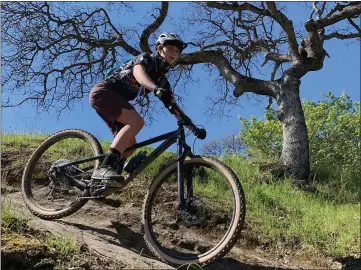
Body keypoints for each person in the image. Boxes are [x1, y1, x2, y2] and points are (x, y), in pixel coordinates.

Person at [89, 32, 206, 187]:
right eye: (170, 48)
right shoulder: (147, 58)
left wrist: (191, 126)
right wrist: (154, 88)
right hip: (103, 92)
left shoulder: (162, 80)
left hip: (115, 101)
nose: (174, 53)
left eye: (177, 51)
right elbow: (138, 73)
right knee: (136, 122)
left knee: (130, 146)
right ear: (159, 48)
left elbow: (173, 106)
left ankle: (100, 185)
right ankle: (105, 167)